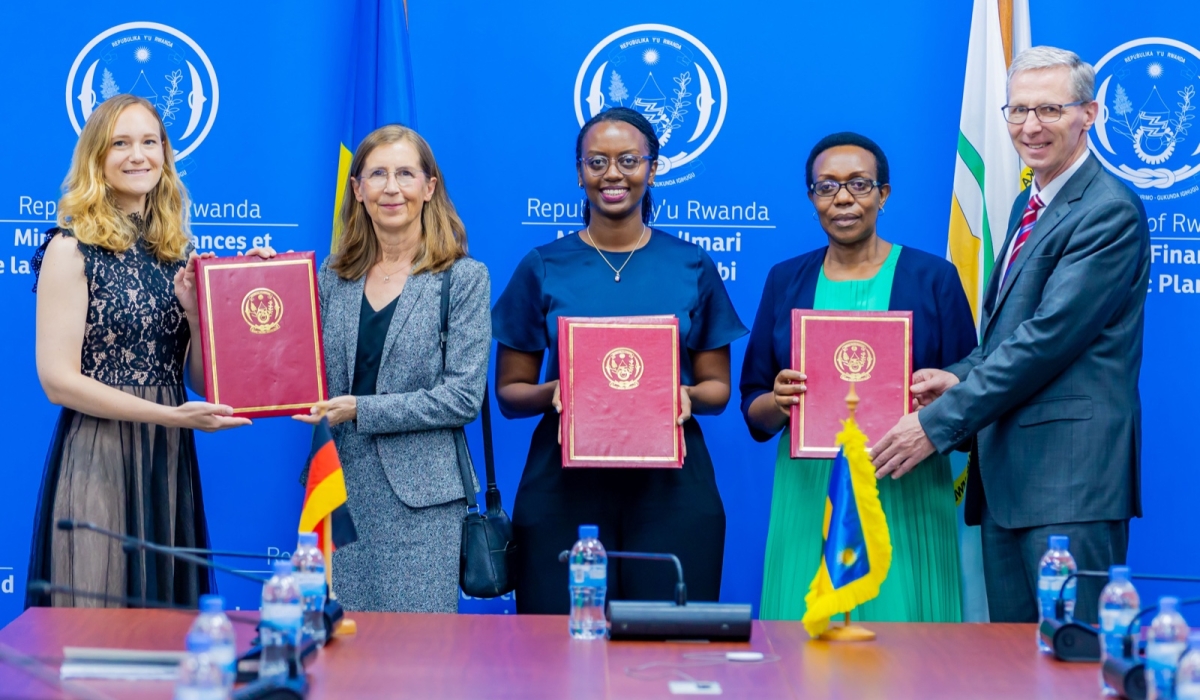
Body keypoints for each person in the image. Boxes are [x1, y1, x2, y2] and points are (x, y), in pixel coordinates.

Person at [871, 46, 1150, 624]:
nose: (1030, 126)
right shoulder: (1032, 201)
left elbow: (1048, 338)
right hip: (1011, 484)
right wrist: (959, 375)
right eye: (1018, 110)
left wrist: (936, 425)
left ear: (1089, 114)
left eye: (1049, 109)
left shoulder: (1106, 209)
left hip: (1069, 484)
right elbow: (1013, 332)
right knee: (1016, 669)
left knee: (1073, 661)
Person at [492, 107, 747, 614]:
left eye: (629, 160)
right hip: (564, 486)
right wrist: (554, 392)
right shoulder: (543, 266)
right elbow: (509, 393)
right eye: (597, 161)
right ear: (580, 171)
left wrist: (686, 394)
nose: (613, 174)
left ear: (653, 169)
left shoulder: (690, 264)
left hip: (671, 487)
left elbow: (718, 387)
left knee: (668, 643)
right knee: (559, 649)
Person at [27, 94, 255, 608]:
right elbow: (57, 381)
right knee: (95, 628)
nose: (138, 155)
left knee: (165, 635)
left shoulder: (179, 252)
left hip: (167, 463)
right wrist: (171, 417)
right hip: (99, 457)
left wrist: (199, 313)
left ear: (165, 155)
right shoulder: (70, 248)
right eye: (121, 143)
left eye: (150, 142)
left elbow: (198, 380)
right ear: (97, 159)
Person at [740, 132, 977, 622]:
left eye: (859, 185)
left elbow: (969, 393)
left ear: (883, 194)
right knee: (808, 645)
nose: (842, 198)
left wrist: (935, 394)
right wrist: (779, 400)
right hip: (810, 490)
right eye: (826, 187)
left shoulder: (933, 278)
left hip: (903, 483)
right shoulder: (786, 279)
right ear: (811, 198)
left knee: (904, 644)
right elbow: (754, 404)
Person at [295, 124, 490, 614]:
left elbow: (463, 398)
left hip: (422, 501)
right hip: (336, 488)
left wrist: (361, 409)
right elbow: (288, 359)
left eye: (406, 173)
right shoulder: (330, 280)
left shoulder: (463, 279)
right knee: (337, 649)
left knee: (416, 659)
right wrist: (265, 281)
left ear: (429, 187)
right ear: (357, 190)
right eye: (377, 174)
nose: (391, 187)